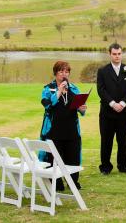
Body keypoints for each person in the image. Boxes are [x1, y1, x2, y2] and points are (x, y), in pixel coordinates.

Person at [39, 61, 86, 191]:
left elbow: (81, 111)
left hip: (71, 130)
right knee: (54, 157)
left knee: (73, 156)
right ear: (55, 73)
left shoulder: (74, 89)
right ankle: (56, 181)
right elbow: (47, 105)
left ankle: (73, 181)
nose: (64, 74)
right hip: (54, 130)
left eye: (66, 72)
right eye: (61, 71)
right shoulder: (48, 89)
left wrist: (82, 109)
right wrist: (58, 92)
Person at [97, 43, 126, 175]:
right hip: (107, 113)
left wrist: (123, 104)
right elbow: (101, 90)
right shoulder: (103, 71)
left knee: (123, 140)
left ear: (122, 54)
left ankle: (123, 165)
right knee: (106, 140)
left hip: (124, 113)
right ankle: (105, 167)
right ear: (110, 54)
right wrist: (113, 104)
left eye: (119, 53)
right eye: (114, 54)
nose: (117, 56)